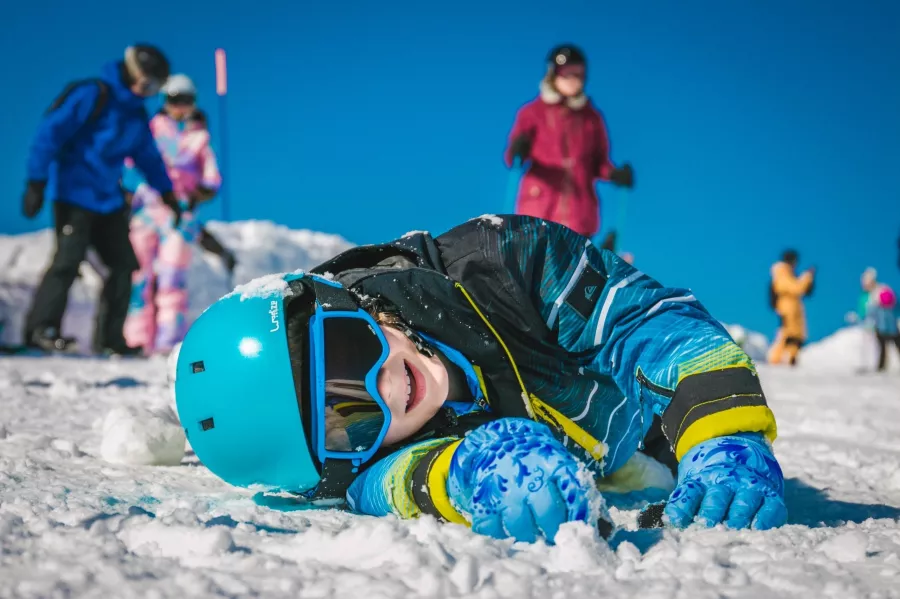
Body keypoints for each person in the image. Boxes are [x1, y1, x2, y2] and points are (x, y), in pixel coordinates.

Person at [173, 215, 785, 544]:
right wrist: (468, 470)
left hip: (643, 407)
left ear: (353, 304)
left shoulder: (502, 265)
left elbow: (642, 322)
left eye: (350, 352)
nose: (385, 389)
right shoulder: (373, 464)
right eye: (350, 422)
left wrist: (721, 434)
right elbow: (394, 485)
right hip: (610, 453)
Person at [21, 44, 180, 356]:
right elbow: (49, 133)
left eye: (154, 88)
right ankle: (41, 330)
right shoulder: (93, 95)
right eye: (147, 83)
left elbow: (148, 157)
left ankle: (110, 340)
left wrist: (166, 192)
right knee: (67, 261)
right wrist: (36, 181)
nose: (147, 92)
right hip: (74, 195)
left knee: (123, 265)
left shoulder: (135, 115)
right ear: (133, 71)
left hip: (108, 201)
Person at [121, 74, 233, 357]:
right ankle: (135, 339)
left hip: (180, 217)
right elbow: (130, 166)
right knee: (138, 276)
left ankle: (168, 342)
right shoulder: (152, 130)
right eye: (174, 100)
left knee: (172, 279)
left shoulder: (200, 136)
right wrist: (128, 193)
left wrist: (198, 194)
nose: (180, 106)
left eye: (186, 100)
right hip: (147, 212)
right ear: (165, 101)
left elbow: (212, 177)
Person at [504, 44, 635, 239]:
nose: (574, 79)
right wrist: (518, 149)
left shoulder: (591, 119)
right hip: (539, 207)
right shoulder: (532, 113)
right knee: (537, 254)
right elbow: (513, 157)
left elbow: (599, 162)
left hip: (579, 212)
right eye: (567, 73)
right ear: (553, 74)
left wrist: (614, 174)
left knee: (574, 255)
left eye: (579, 74)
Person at [767, 249, 815, 366]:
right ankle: (775, 360)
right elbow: (796, 288)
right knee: (786, 335)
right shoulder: (782, 272)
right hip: (788, 309)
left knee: (796, 337)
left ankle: (791, 359)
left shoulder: (787, 273)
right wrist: (807, 277)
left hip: (793, 308)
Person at [859, 268, 900, 372]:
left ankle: (881, 367)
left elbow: (870, 312)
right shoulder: (875, 294)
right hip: (886, 327)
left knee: (887, 346)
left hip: (885, 327)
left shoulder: (877, 293)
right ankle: (881, 366)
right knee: (884, 347)